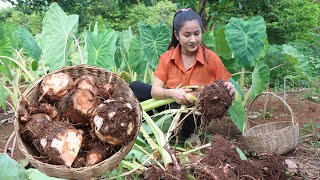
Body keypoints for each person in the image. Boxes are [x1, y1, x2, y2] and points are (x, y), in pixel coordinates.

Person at [130, 8, 234, 140]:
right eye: (187, 35)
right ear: (177, 35)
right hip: (171, 102)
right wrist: (173, 93)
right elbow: (155, 91)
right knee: (135, 87)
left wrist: (230, 89)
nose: (193, 40)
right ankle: (147, 126)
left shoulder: (211, 58)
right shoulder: (167, 57)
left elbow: (225, 86)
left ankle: (183, 136)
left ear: (202, 32)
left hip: (194, 113)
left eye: (197, 34)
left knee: (180, 106)